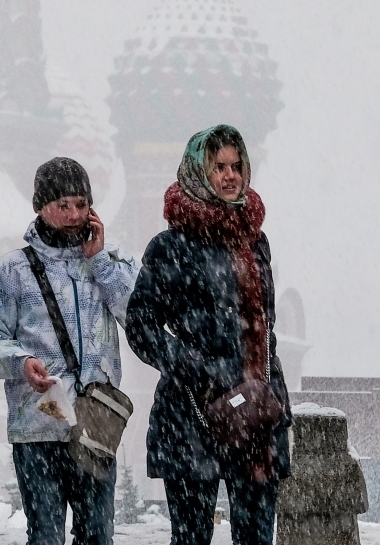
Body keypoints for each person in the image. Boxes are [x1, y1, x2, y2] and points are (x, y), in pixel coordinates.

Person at [124, 125, 291, 545]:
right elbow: (142, 325)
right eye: (219, 167)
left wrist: (264, 387)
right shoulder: (170, 246)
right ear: (199, 171)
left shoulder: (256, 240)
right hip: (192, 412)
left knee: (255, 537)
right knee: (192, 537)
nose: (230, 175)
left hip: (255, 411)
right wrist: (194, 366)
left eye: (237, 166)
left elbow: (263, 326)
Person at [0, 158, 137, 545]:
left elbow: (139, 317)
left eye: (81, 204)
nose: (74, 215)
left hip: (96, 425)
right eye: (63, 205)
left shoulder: (112, 263)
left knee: (98, 537)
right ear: (41, 207)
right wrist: (20, 362)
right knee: (45, 537)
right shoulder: (10, 271)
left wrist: (101, 263)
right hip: (37, 428)